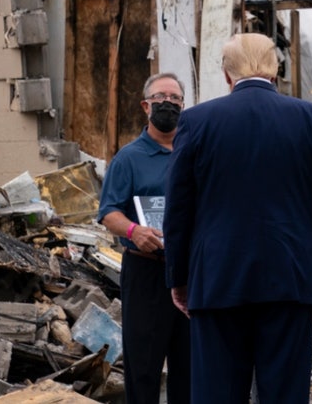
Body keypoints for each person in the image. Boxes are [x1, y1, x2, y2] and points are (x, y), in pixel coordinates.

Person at [162, 33, 312, 403]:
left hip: (217, 279)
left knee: (217, 393)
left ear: (226, 74)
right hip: (290, 277)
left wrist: (179, 277)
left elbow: (179, 207)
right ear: (274, 70)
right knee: (284, 393)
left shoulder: (197, 121)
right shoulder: (311, 119)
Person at [97, 73, 190, 404]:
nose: (168, 103)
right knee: (144, 368)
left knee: (190, 368)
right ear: (145, 105)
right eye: (160, 97)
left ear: (184, 105)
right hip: (146, 273)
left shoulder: (195, 153)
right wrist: (134, 231)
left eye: (175, 98)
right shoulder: (129, 158)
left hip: (191, 273)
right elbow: (109, 212)